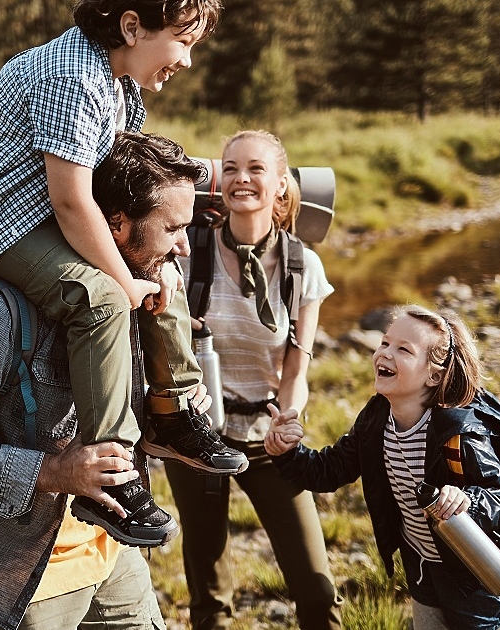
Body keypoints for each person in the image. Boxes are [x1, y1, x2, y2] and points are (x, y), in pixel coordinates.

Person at [0, 0, 247, 546]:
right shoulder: (73, 76)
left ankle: (173, 410)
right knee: (103, 297)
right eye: (183, 42)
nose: (186, 60)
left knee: (161, 262)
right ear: (132, 27)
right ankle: (113, 476)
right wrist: (126, 283)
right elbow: (71, 202)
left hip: (37, 216)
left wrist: (153, 264)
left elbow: (119, 182)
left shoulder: (120, 85)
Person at [0, 132, 210, 630]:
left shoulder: (129, 294)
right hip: (17, 579)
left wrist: (165, 419)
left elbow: (108, 429)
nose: (185, 248)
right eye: (172, 228)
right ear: (115, 224)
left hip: (111, 554)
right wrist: (57, 473)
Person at [164, 130, 342, 630]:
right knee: (209, 592)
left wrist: (289, 418)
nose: (242, 178)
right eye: (232, 168)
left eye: (257, 169)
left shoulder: (302, 265)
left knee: (316, 586)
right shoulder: (185, 254)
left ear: (281, 184)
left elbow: (296, 368)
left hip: (268, 441)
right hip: (196, 438)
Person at [266, 305, 500, 629]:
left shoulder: (460, 432)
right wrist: (288, 453)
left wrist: (466, 499)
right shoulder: (376, 419)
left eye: (404, 349)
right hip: (422, 567)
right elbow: (330, 469)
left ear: (434, 374)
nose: (385, 353)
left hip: (478, 578)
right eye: (385, 343)